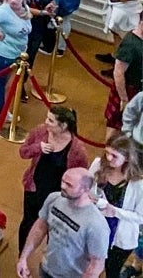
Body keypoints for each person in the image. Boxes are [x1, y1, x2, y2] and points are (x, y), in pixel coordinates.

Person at [17, 168, 111, 278]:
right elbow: (40, 227)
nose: (63, 186)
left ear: (85, 190)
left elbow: (96, 264)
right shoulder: (54, 198)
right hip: (46, 269)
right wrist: (23, 258)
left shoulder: (96, 224)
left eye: (69, 185)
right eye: (63, 181)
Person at [19, 107, 91, 248]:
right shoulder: (40, 132)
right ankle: (22, 255)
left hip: (59, 196)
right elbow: (23, 152)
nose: (46, 122)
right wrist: (38, 148)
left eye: (51, 120)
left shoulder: (77, 149)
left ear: (63, 126)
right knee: (28, 223)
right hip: (34, 189)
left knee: (54, 230)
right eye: (47, 118)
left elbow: (82, 177)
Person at [90, 133, 143, 278]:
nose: (108, 158)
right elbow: (87, 188)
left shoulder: (137, 184)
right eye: (107, 153)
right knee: (90, 266)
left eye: (114, 156)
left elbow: (140, 217)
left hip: (120, 238)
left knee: (112, 271)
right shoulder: (98, 165)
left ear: (126, 158)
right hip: (96, 229)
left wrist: (114, 211)